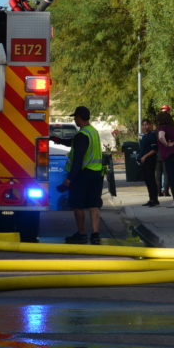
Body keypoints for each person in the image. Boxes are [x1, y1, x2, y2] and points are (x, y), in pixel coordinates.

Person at [53, 105, 104, 244]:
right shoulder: (92, 131)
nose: (74, 119)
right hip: (96, 173)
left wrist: (69, 179)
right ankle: (95, 235)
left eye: (75, 117)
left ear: (80, 117)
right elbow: (74, 143)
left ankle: (81, 234)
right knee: (94, 205)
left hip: (83, 175)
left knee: (78, 205)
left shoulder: (82, 135)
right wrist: (58, 140)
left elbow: (78, 159)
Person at [137, 119, 159, 207]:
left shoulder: (152, 135)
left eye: (146, 124)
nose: (145, 126)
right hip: (144, 162)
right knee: (147, 181)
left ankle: (155, 199)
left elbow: (155, 149)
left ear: (150, 125)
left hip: (150, 161)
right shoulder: (144, 136)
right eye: (143, 125)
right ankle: (151, 199)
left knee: (151, 180)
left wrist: (145, 156)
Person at [156, 104, 174, 196]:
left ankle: (159, 191)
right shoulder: (170, 127)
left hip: (158, 153)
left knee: (158, 173)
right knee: (166, 173)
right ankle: (166, 191)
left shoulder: (157, 127)